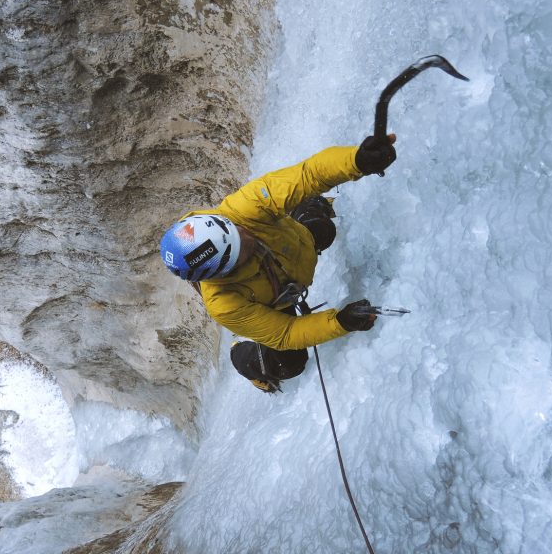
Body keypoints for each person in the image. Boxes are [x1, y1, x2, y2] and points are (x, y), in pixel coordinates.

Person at [159, 134, 398, 392]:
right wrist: (341, 322)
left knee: (323, 228)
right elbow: (286, 333)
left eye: (236, 232)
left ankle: (311, 207)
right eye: (240, 251)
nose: (246, 238)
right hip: (275, 301)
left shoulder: (242, 209)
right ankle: (244, 354)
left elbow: (307, 175)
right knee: (291, 364)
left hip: (297, 245)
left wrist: (356, 161)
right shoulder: (225, 303)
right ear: (221, 272)